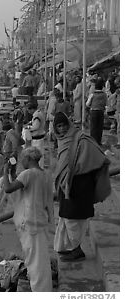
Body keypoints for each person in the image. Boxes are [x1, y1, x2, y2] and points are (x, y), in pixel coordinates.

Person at [52, 112, 110, 262]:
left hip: (81, 185)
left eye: (64, 125)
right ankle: (70, 248)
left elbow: (100, 157)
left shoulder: (82, 139)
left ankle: (77, 250)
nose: (62, 129)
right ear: (55, 129)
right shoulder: (62, 141)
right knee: (66, 216)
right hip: (68, 186)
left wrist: (83, 167)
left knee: (74, 219)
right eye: (59, 126)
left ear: (69, 124)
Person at [2, 147, 54, 291]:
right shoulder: (45, 174)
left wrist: (5, 172)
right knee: (39, 260)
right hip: (40, 221)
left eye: (23, 159)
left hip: (30, 223)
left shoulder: (28, 174)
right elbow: (20, 187)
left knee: (36, 263)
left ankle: (40, 291)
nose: (21, 162)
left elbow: (8, 188)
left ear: (29, 159)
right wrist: (12, 172)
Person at [86, 79, 107, 145]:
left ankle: (93, 142)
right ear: (102, 87)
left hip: (93, 111)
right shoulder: (104, 95)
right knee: (99, 127)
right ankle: (98, 141)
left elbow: (87, 104)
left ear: (95, 87)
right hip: (101, 111)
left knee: (93, 127)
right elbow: (106, 103)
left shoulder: (92, 94)